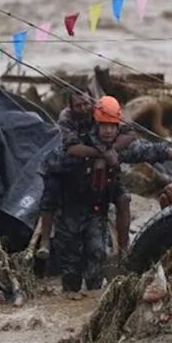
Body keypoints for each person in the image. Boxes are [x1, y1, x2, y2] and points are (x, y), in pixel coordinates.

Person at [53, 96, 172, 299]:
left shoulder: (117, 148)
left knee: (97, 255)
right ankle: (69, 303)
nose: (108, 131)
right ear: (95, 123)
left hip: (97, 210)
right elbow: (55, 169)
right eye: (103, 126)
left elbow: (155, 151)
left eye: (112, 126)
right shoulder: (78, 143)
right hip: (70, 212)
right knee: (71, 272)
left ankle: (118, 262)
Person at [36, 89, 133, 259]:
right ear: (71, 107)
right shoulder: (66, 118)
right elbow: (73, 148)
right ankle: (45, 240)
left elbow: (130, 132)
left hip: (93, 164)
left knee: (122, 197)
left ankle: (124, 251)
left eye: (86, 104)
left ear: (92, 102)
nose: (83, 108)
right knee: (51, 193)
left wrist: (112, 150)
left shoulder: (99, 110)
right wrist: (103, 153)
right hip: (64, 164)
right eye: (78, 106)